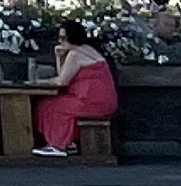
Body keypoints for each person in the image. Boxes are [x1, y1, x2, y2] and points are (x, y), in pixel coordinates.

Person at [32, 21, 119, 155]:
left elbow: (62, 81)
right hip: (104, 101)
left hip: (90, 102)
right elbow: (64, 75)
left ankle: (58, 144)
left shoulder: (75, 54)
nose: (60, 42)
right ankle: (69, 142)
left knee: (48, 105)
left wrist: (41, 81)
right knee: (57, 103)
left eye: (63, 38)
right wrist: (59, 57)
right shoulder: (88, 49)